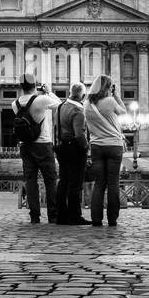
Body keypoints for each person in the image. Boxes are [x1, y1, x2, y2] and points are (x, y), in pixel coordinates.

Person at [11, 73, 60, 223]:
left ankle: (34, 216)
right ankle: (53, 215)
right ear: (34, 85)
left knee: (30, 181)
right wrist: (48, 91)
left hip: (25, 146)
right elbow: (60, 105)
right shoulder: (41, 99)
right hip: (43, 145)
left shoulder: (15, 103)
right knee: (50, 180)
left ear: (21, 86)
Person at [84, 74, 127, 227]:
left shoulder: (86, 104)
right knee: (113, 183)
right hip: (114, 145)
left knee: (99, 183)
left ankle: (96, 219)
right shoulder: (110, 101)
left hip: (96, 146)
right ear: (107, 88)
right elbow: (124, 113)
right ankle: (112, 219)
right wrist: (116, 96)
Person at [54, 82, 89, 224]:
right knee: (75, 183)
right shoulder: (78, 111)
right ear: (83, 96)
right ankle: (75, 216)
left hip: (61, 147)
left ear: (70, 93)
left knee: (63, 182)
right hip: (74, 149)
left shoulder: (60, 107)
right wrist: (86, 147)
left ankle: (61, 215)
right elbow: (79, 135)